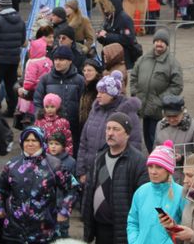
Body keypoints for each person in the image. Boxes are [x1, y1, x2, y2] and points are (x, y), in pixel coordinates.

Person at [0, 126, 74, 244]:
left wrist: (65, 209)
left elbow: (72, 188)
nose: (30, 144)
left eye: (34, 140)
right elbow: (0, 187)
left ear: (41, 142)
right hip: (14, 231)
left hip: (43, 233)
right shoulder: (12, 164)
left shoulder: (55, 165)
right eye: (27, 140)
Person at [82, 113, 149, 244]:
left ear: (127, 134)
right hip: (100, 229)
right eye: (108, 128)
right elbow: (88, 193)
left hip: (122, 231)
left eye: (116, 129)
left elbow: (142, 200)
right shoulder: (98, 158)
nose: (110, 133)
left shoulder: (138, 161)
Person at [76, 70, 143, 181]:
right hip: (91, 172)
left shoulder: (127, 112)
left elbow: (135, 143)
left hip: (115, 174)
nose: (98, 96)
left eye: (102, 92)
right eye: (98, 92)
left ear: (112, 94)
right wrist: (81, 170)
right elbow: (84, 142)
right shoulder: (95, 110)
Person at [130, 28, 184, 151]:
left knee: (157, 140)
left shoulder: (173, 63)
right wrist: (135, 93)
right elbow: (133, 76)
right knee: (147, 139)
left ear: (167, 44)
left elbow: (177, 86)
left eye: (162, 42)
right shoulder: (143, 59)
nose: (159, 44)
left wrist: (161, 101)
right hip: (143, 108)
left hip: (159, 111)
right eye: (157, 41)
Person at [127, 140, 185, 244]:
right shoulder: (141, 191)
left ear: (168, 170)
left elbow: (186, 226)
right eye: (150, 166)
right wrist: (134, 242)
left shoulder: (181, 193)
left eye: (159, 167)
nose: (153, 172)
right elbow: (132, 222)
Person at [34, 45, 85, 147]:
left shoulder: (79, 80)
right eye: (56, 59)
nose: (57, 62)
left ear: (70, 61)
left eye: (61, 59)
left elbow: (83, 104)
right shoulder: (45, 79)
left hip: (73, 127)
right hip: (50, 129)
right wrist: (42, 120)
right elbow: (38, 101)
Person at [0, 0, 26, 117]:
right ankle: (11, 109)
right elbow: (22, 40)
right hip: (14, 57)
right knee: (11, 84)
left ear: (0, 6)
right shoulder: (20, 20)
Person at [153, 95, 194, 183]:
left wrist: (182, 158)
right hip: (164, 178)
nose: (172, 119)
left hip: (185, 179)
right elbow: (155, 149)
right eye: (168, 116)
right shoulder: (160, 125)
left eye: (175, 116)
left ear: (183, 112)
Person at [95, 0, 139, 70]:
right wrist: (100, 37)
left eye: (104, 5)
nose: (103, 8)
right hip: (111, 58)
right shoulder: (109, 18)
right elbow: (108, 38)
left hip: (124, 59)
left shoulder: (124, 19)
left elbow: (128, 39)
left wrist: (107, 35)